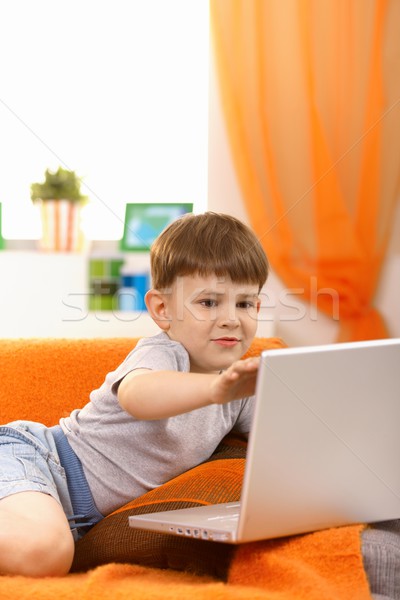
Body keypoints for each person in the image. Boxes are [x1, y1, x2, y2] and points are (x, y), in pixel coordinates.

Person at [0, 212, 269, 577]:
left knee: (49, 551)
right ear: (162, 309)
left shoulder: (240, 388)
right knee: (44, 553)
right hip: (40, 461)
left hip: (70, 514)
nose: (231, 319)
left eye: (244, 303)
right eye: (209, 303)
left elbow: (278, 443)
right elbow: (138, 395)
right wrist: (215, 389)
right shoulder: (164, 353)